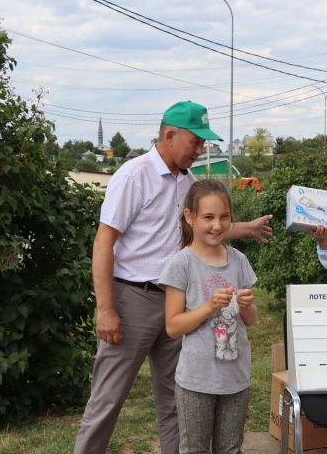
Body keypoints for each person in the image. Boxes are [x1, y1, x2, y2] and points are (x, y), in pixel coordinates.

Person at [74, 101, 272, 454]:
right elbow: (104, 242)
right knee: (108, 399)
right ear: (169, 135)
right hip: (132, 300)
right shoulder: (134, 176)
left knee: (175, 402)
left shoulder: (189, 183)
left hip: (178, 300)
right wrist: (105, 308)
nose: (200, 150)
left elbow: (206, 227)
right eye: (196, 143)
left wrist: (244, 229)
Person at [161, 179, 257, 454]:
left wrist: (247, 303)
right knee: (195, 449)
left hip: (236, 378)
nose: (217, 225)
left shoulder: (238, 260)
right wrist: (208, 307)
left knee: (230, 448)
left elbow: (250, 320)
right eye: (208, 217)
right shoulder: (181, 264)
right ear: (189, 217)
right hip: (196, 380)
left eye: (224, 217)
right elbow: (172, 326)